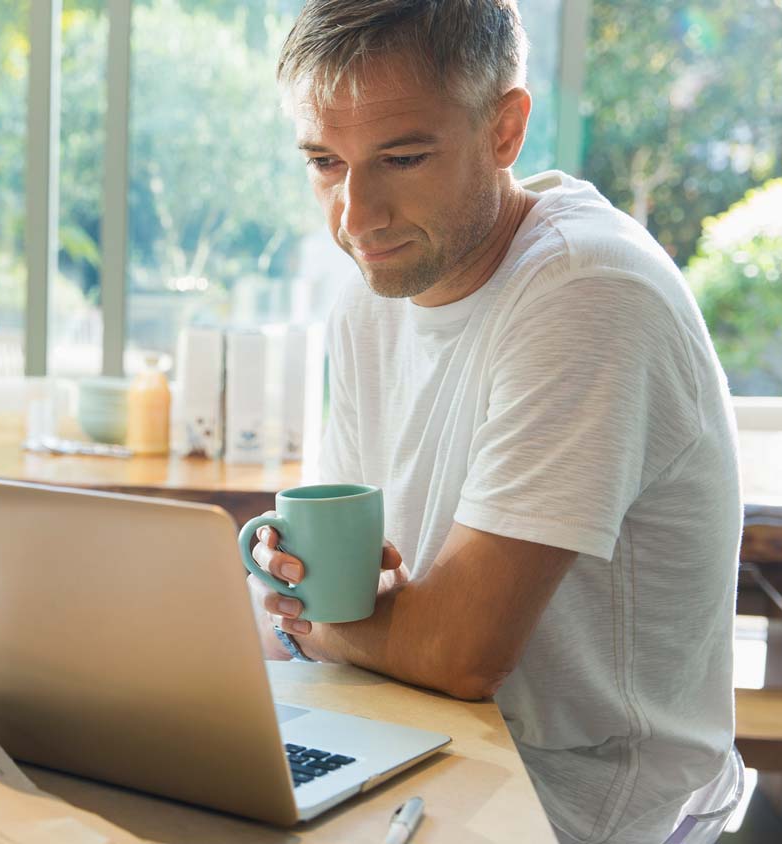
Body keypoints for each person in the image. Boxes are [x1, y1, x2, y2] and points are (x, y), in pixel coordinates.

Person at [248, 2, 742, 841]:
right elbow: (353, 595)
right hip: (419, 739)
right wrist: (308, 599)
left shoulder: (589, 292)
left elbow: (459, 654)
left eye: (402, 157)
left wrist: (311, 622)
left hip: (588, 797)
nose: (356, 217)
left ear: (505, 128)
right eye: (326, 163)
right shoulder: (373, 294)